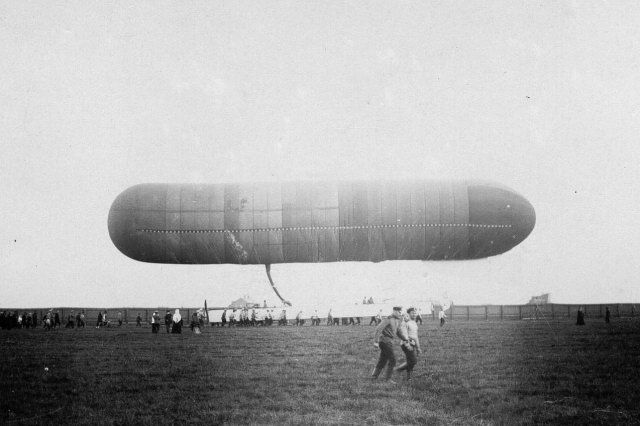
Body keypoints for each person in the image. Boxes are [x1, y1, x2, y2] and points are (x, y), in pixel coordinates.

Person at [372, 306, 410, 382]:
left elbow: (398, 332)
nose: (400, 313)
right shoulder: (388, 319)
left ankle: (374, 376)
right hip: (384, 341)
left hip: (389, 341)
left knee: (382, 360)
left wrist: (405, 339)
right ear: (394, 311)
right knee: (393, 360)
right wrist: (375, 341)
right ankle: (387, 379)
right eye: (399, 312)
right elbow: (378, 329)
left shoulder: (398, 320)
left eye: (401, 312)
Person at [396, 308, 422, 381]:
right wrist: (408, 345)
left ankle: (409, 377)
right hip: (406, 344)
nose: (414, 314)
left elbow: (415, 336)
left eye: (415, 313)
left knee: (410, 361)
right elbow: (404, 335)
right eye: (412, 313)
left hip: (413, 344)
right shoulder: (405, 322)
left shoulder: (414, 323)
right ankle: (398, 370)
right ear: (408, 314)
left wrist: (418, 348)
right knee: (413, 361)